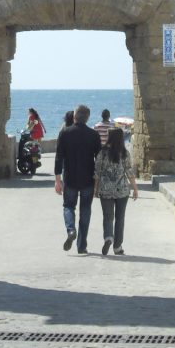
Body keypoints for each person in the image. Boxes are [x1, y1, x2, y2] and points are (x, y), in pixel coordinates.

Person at [54, 104, 102, 255]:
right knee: (85, 211)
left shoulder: (65, 133)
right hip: (88, 179)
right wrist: (98, 182)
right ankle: (82, 246)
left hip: (70, 178)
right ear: (87, 118)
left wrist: (57, 180)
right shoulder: (93, 135)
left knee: (68, 206)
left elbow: (59, 158)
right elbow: (99, 160)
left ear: (74, 116)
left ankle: (71, 230)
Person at [94, 127, 138, 255]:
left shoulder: (102, 153)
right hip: (122, 191)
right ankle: (117, 246)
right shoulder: (124, 153)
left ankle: (108, 237)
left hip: (105, 190)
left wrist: (96, 189)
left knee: (108, 216)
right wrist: (135, 189)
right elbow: (129, 173)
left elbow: (97, 173)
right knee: (120, 218)